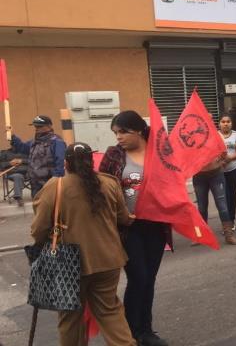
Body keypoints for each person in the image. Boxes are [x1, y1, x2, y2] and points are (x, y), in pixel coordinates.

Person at [31, 142, 136, 346]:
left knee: (70, 318)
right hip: (108, 259)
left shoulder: (55, 187)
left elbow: (38, 230)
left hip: (68, 264)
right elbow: (123, 218)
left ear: (66, 163)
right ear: (91, 161)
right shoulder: (109, 183)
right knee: (110, 311)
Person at [99, 111, 169, 346]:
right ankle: (129, 332)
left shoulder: (159, 152)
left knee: (149, 278)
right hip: (128, 228)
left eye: (122, 132)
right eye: (115, 133)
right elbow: (103, 190)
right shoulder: (114, 155)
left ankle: (146, 330)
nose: (118, 137)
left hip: (157, 224)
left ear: (138, 130)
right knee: (138, 277)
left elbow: (173, 181)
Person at [11, 115, 66, 198]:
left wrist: (56, 179)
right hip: (35, 184)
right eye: (35, 126)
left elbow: (60, 161)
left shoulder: (57, 141)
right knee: (37, 208)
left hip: (50, 182)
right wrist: (12, 136)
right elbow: (22, 148)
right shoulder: (34, 142)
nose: (36, 128)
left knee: (51, 209)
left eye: (39, 126)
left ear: (49, 126)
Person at [192, 153, 236, 245]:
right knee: (201, 207)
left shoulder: (214, 138)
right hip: (198, 176)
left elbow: (225, 154)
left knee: (222, 206)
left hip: (216, 174)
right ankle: (201, 236)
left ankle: (229, 236)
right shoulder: (191, 139)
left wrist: (223, 159)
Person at [219, 114, 236, 231]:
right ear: (219, 123)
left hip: (235, 170)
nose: (226, 124)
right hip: (219, 171)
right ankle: (225, 221)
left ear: (231, 123)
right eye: (223, 121)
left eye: (228, 121)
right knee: (223, 197)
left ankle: (231, 220)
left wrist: (229, 158)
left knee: (232, 195)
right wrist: (220, 162)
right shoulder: (215, 135)